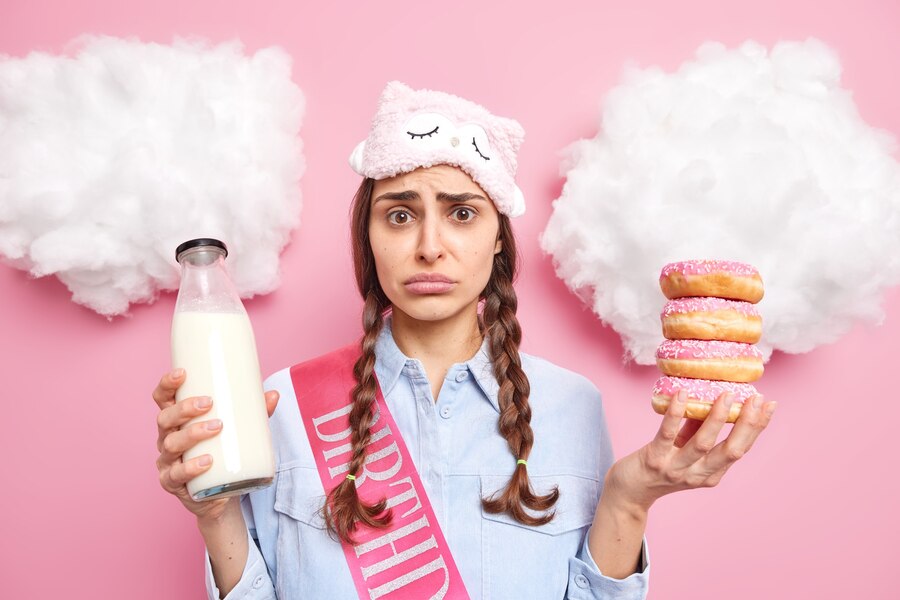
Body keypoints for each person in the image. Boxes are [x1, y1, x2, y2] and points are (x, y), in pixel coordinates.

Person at [152, 81, 776, 600]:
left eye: (462, 212)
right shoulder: (280, 402)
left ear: (500, 236)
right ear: (366, 234)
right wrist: (213, 512)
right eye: (399, 214)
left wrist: (629, 500)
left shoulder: (570, 405)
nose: (429, 245)